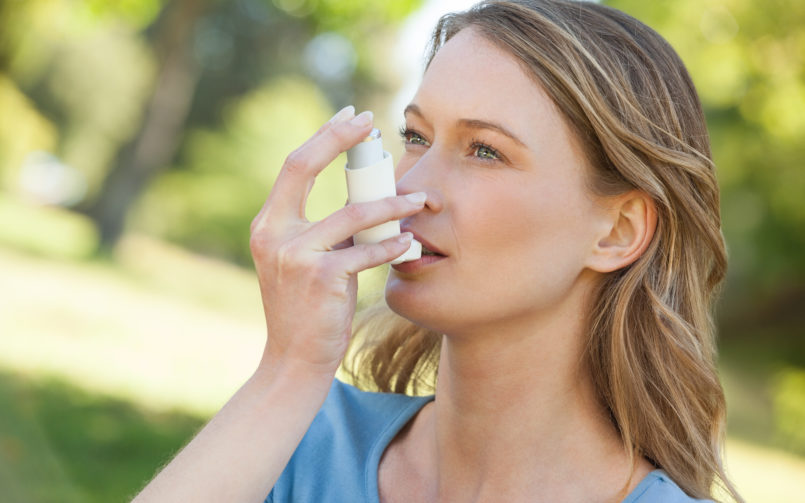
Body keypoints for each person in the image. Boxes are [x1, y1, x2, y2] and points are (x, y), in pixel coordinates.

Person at [132, 1, 745, 502]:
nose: (409, 188)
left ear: (617, 231)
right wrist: (288, 371)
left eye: (485, 151)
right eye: (416, 138)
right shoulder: (295, 440)